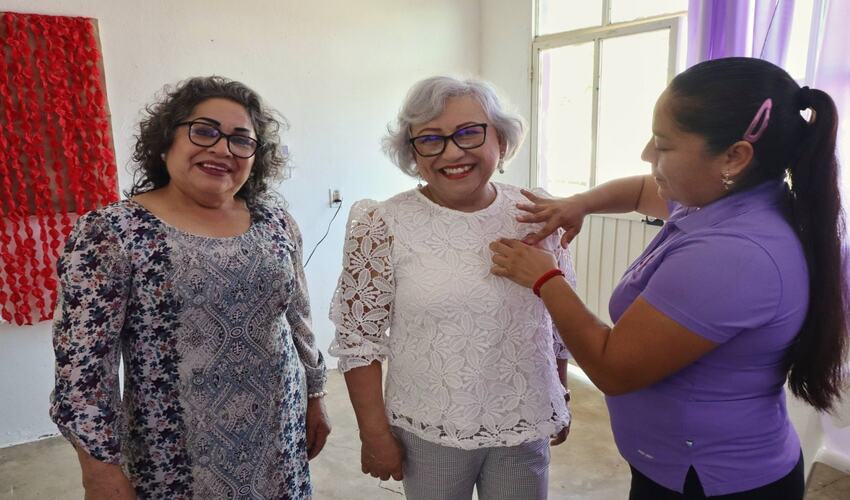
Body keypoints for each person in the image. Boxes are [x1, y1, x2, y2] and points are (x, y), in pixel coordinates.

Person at [490, 56, 848, 499]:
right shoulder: (729, 198)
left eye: (663, 145)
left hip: (713, 480)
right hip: (677, 463)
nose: (647, 155)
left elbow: (612, 368)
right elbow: (642, 189)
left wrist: (547, 279)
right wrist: (580, 203)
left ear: (735, 156)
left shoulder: (733, 254)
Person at [50, 76, 330, 500]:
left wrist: (316, 393)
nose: (222, 149)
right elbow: (84, 369)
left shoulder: (275, 222)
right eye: (204, 131)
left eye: (241, 140)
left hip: (279, 436)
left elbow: (298, 318)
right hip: (174, 458)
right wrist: (99, 471)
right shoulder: (113, 233)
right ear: (167, 141)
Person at [329, 76, 575, 500]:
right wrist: (374, 434)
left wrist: (559, 389)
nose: (452, 152)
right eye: (431, 139)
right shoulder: (382, 224)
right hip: (430, 426)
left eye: (469, 132)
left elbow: (554, 318)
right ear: (413, 152)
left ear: (501, 139)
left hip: (524, 418)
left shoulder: (537, 213)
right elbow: (358, 343)